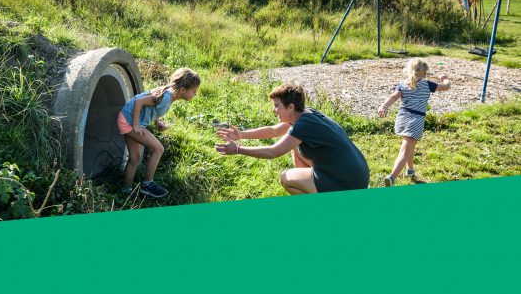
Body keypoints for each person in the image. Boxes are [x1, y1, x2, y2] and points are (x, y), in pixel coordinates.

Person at [215, 83, 369, 194]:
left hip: (348, 185)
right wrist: (242, 135)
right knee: (295, 146)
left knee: (286, 178)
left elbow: (273, 152)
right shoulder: (307, 114)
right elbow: (273, 131)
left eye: (277, 105)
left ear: (290, 107)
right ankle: (313, 187)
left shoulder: (302, 126)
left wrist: (237, 149)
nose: (273, 110)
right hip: (356, 176)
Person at [117, 68, 201, 197]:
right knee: (158, 149)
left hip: (125, 118)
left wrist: (157, 122)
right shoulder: (166, 98)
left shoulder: (167, 94)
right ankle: (148, 184)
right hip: (129, 122)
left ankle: (125, 190)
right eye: (194, 91)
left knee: (134, 158)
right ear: (183, 90)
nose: (195, 94)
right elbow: (139, 102)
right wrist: (136, 125)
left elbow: (151, 108)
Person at [378, 58, 451, 187]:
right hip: (416, 120)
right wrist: (444, 78)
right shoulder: (428, 85)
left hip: (402, 118)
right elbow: (446, 87)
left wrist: (384, 106)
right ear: (425, 72)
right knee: (405, 151)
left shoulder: (402, 84)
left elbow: (394, 97)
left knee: (410, 146)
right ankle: (392, 177)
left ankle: (410, 170)